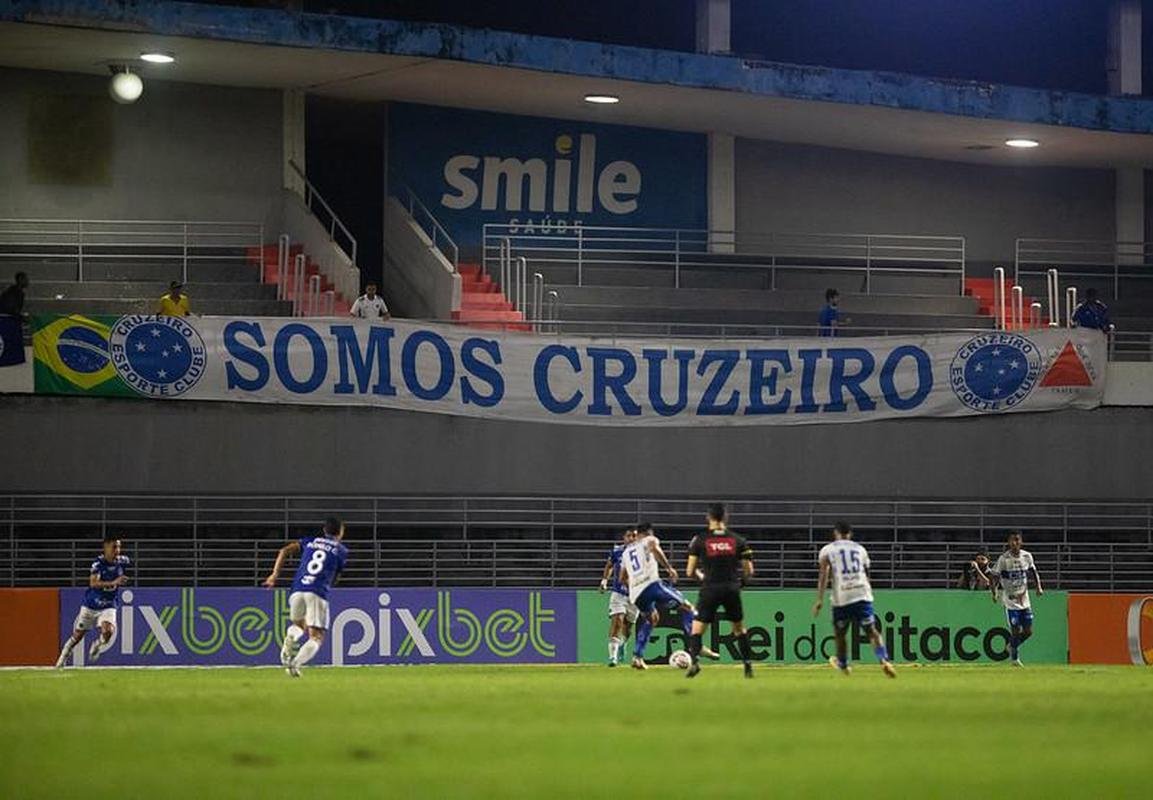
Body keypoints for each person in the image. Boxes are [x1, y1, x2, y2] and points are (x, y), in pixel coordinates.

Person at [262, 516, 349, 677]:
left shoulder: (310, 541)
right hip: (317, 591)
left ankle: (290, 637)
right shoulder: (341, 550)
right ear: (341, 532)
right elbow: (335, 578)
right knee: (316, 637)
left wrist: (274, 575)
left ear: (324, 530)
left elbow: (284, 550)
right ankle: (295, 664)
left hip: (297, 590)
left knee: (299, 625)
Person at [811, 521, 896, 678]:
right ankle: (884, 660)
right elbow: (866, 573)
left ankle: (844, 665)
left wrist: (819, 600)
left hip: (842, 597)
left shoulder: (827, 550)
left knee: (840, 634)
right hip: (862, 593)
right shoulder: (860, 549)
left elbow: (823, 575)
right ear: (850, 534)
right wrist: (868, 594)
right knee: (872, 631)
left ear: (835, 533)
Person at [684, 503, 755, 679]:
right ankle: (747, 666)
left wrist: (702, 578)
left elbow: (689, 571)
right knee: (739, 629)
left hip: (710, 589)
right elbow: (749, 571)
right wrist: (741, 584)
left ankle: (694, 663)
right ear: (725, 517)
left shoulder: (700, 540)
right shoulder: (738, 540)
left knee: (697, 629)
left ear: (709, 517)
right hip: (731, 588)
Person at [619, 522, 696, 671]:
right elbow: (655, 548)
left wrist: (635, 586)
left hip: (636, 594)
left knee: (652, 618)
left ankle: (637, 657)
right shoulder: (649, 540)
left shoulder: (626, 552)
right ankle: (695, 644)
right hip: (652, 585)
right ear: (648, 533)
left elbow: (622, 578)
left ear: (637, 534)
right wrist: (669, 568)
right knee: (687, 607)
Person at [55, 533, 130, 668]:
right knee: (77, 636)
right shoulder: (98, 564)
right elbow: (93, 583)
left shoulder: (123, 561)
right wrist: (114, 582)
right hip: (91, 605)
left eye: (119, 547)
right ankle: (63, 656)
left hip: (109, 604)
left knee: (108, 632)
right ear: (105, 547)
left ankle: (97, 645)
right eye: (114, 547)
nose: (117, 550)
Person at [988, 530, 1043, 667]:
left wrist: (1038, 587)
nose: (1014, 543)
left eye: (1017, 540)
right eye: (1012, 540)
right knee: (1015, 629)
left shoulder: (1027, 556)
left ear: (1021, 541)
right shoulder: (1004, 559)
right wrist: (994, 592)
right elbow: (994, 576)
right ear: (1008, 542)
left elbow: (1033, 572)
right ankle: (1015, 658)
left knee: (1028, 631)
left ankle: (1012, 645)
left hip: (1024, 599)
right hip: (1010, 601)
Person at [599, 527, 639, 667]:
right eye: (629, 536)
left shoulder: (643, 553)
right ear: (624, 538)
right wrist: (604, 581)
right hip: (618, 593)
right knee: (617, 621)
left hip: (635, 596)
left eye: (634, 536)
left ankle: (623, 643)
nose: (632, 538)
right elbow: (609, 565)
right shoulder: (617, 551)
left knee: (628, 628)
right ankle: (613, 657)